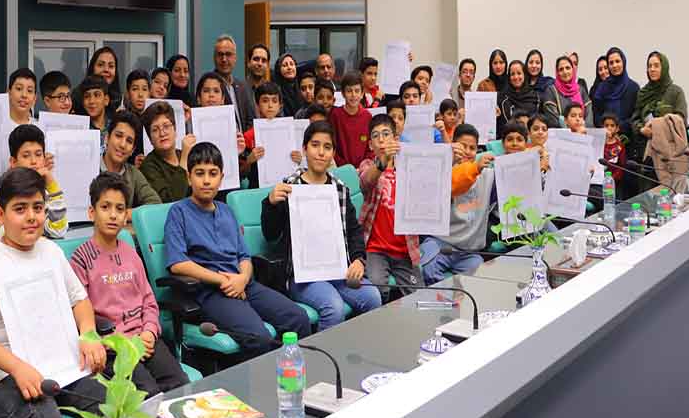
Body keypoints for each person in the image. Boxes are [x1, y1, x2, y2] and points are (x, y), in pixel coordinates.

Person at [0, 168, 107, 418]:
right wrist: (17, 367)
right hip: (3, 376)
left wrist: (88, 333)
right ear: (0, 215)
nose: (31, 217)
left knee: (115, 407)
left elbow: (80, 300)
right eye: (20, 209)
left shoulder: (51, 252)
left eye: (37, 207)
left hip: (61, 365)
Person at [165, 142, 311, 358]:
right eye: (199, 173)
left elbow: (244, 256)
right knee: (258, 337)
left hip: (244, 285)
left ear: (221, 178)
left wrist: (242, 278)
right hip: (210, 292)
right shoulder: (178, 212)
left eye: (213, 173)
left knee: (298, 319)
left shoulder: (226, 211)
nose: (206, 180)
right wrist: (223, 281)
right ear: (189, 177)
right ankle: (262, 380)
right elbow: (178, 264)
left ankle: (292, 374)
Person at [70, 173, 189, 396]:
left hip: (144, 340)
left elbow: (148, 301)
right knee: (147, 394)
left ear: (126, 216)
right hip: (113, 348)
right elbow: (81, 316)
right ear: (91, 212)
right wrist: (123, 344)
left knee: (180, 384)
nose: (113, 215)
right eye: (105, 207)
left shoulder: (131, 253)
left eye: (119, 209)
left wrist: (149, 332)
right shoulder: (81, 259)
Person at [261, 121, 381, 330]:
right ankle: (323, 352)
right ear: (304, 149)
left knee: (372, 297)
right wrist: (270, 204)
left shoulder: (339, 189)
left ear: (333, 153)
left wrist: (358, 260)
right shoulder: (289, 187)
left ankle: (359, 346)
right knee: (333, 307)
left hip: (338, 271)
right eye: (315, 145)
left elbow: (353, 231)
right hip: (302, 277)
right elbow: (270, 235)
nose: (321, 152)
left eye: (327, 147)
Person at [359, 115, 480, 300]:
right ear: (370, 144)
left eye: (386, 134)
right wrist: (382, 161)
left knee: (418, 295)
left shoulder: (410, 165)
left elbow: (433, 178)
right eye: (376, 136)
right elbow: (366, 181)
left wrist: (451, 159)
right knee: (378, 289)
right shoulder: (368, 166)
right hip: (376, 249)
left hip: (405, 249)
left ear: (396, 139)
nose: (381, 139)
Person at [419, 124, 496, 284]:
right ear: (453, 146)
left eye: (472, 148)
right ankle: (449, 296)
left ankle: (458, 295)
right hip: (440, 243)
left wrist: (537, 165)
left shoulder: (488, 175)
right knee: (427, 271)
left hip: (468, 251)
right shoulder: (439, 170)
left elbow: (512, 182)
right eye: (462, 146)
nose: (467, 152)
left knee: (478, 279)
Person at [0, 125, 68, 240]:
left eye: (38, 154)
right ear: (13, 162)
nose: (34, 161)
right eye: (26, 156)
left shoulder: (45, 191)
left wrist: (52, 186)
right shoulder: (2, 193)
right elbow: (8, 234)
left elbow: (58, 231)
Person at [101, 111, 162, 220]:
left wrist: (125, 214)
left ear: (132, 150)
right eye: (118, 136)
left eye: (129, 141)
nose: (122, 144)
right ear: (107, 138)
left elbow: (156, 205)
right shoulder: (89, 166)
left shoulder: (133, 174)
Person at [242, 82, 302, 188]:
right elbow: (241, 173)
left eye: (274, 101)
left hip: (287, 187)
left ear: (280, 105)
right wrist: (249, 161)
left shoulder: (291, 133)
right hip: (257, 189)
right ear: (257, 105)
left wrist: (299, 160)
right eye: (265, 101)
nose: (270, 105)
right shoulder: (248, 136)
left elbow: (302, 168)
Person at [140, 101, 196, 203]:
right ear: (150, 138)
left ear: (175, 129)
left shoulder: (184, 154)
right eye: (155, 130)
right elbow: (171, 200)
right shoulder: (148, 166)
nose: (162, 133)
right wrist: (184, 158)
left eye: (166, 126)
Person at [631, 51, 688, 143]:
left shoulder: (676, 92)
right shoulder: (643, 93)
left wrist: (657, 126)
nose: (652, 69)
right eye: (649, 66)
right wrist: (642, 129)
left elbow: (681, 120)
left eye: (656, 66)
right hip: (646, 145)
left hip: (670, 145)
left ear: (664, 68)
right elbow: (635, 119)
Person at [328, 71, 373, 167]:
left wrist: (364, 166)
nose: (353, 95)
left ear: (362, 93)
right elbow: (331, 145)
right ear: (343, 94)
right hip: (341, 169)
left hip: (363, 169)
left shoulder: (368, 117)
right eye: (349, 91)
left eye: (357, 91)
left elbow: (371, 147)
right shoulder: (335, 115)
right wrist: (346, 168)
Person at [591, 47, 639, 134]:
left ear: (623, 62)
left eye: (617, 61)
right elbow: (597, 114)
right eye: (611, 63)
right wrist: (606, 129)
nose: (614, 65)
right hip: (606, 136)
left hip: (628, 136)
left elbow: (635, 116)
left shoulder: (633, 88)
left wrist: (618, 128)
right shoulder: (602, 88)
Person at [213, 34, 255, 131]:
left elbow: (250, 120)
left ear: (235, 58)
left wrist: (245, 138)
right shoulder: (209, 86)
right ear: (214, 58)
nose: (224, 59)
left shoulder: (243, 86)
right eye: (220, 54)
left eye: (228, 54)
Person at [543, 55, 592, 128]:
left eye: (567, 68)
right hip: (561, 134)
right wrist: (571, 129)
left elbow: (589, 117)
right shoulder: (551, 91)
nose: (565, 72)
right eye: (561, 69)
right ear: (557, 73)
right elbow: (553, 119)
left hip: (582, 133)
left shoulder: (581, 90)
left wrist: (582, 129)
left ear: (573, 70)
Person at [498, 60, 543, 132]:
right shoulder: (501, 98)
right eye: (512, 74)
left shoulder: (536, 97)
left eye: (519, 73)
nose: (516, 77)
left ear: (524, 75)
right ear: (509, 77)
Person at [123, 69, 151, 162]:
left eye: (144, 89)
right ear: (128, 93)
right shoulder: (123, 120)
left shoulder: (154, 119)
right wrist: (132, 161)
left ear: (149, 93)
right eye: (135, 89)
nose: (140, 94)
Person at [80, 75, 111, 151]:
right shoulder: (79, 129)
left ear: (106, 100)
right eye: (87, 96)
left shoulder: (114, 127)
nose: (91, 101)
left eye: (97, 95)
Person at [273, 52, 302, 117]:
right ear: (278, 70)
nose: (289, 67)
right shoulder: (275, 91)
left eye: (292, 64)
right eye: (285, 65)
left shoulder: (302, 88)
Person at [602, 113, 626, 185]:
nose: (609, 128)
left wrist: (612, 178)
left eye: (612, 125)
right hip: (598, 180)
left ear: (617, 128)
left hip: (614, 182)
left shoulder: (619, 146)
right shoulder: (599, 143)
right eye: (606, 125)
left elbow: (621, 166)